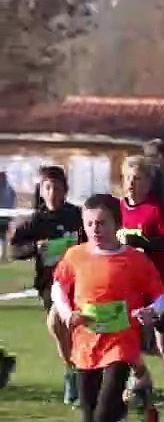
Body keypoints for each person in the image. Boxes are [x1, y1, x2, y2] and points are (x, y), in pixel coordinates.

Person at [51, 193, 164, 422]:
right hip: (85, 346)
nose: (95, 229)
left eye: (102, 223)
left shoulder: (133, 259)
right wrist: (66, 313)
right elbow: (58, 288)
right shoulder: (75, 255)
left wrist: (151, 311)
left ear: (117, 225)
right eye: (89, 223)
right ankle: (139, 389)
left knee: (104, 416)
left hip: (121, 345)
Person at [119, 156, 164, 422]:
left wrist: (149, 242)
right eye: (127, 179)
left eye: (137, 179)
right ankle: (134, 391)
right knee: (124, 340)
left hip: (159, 289)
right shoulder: (118, 211)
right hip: (128, 291)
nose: (131, 185)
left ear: (149, 182)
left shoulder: (156, 210)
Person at [9, 165, 84, 403]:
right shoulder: (35, 221)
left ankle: (84, 373)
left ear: (65, 190)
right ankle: (73, 371)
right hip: (49, 285)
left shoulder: (77, 215)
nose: (52, 192)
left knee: (75, 327)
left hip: (81, 281)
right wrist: (34, 248)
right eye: (47, 187)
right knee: (57, 324)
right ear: (41, 191)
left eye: (57, 187)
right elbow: (14, 250)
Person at [0, 170, 15, 262]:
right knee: (3, 236)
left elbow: (12, 202)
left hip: (4, 217)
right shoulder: (10, 189)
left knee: (3, 236)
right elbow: (13, 201)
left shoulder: (8, 189)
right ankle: (4, 255)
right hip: (6, 216)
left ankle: (4, 255)